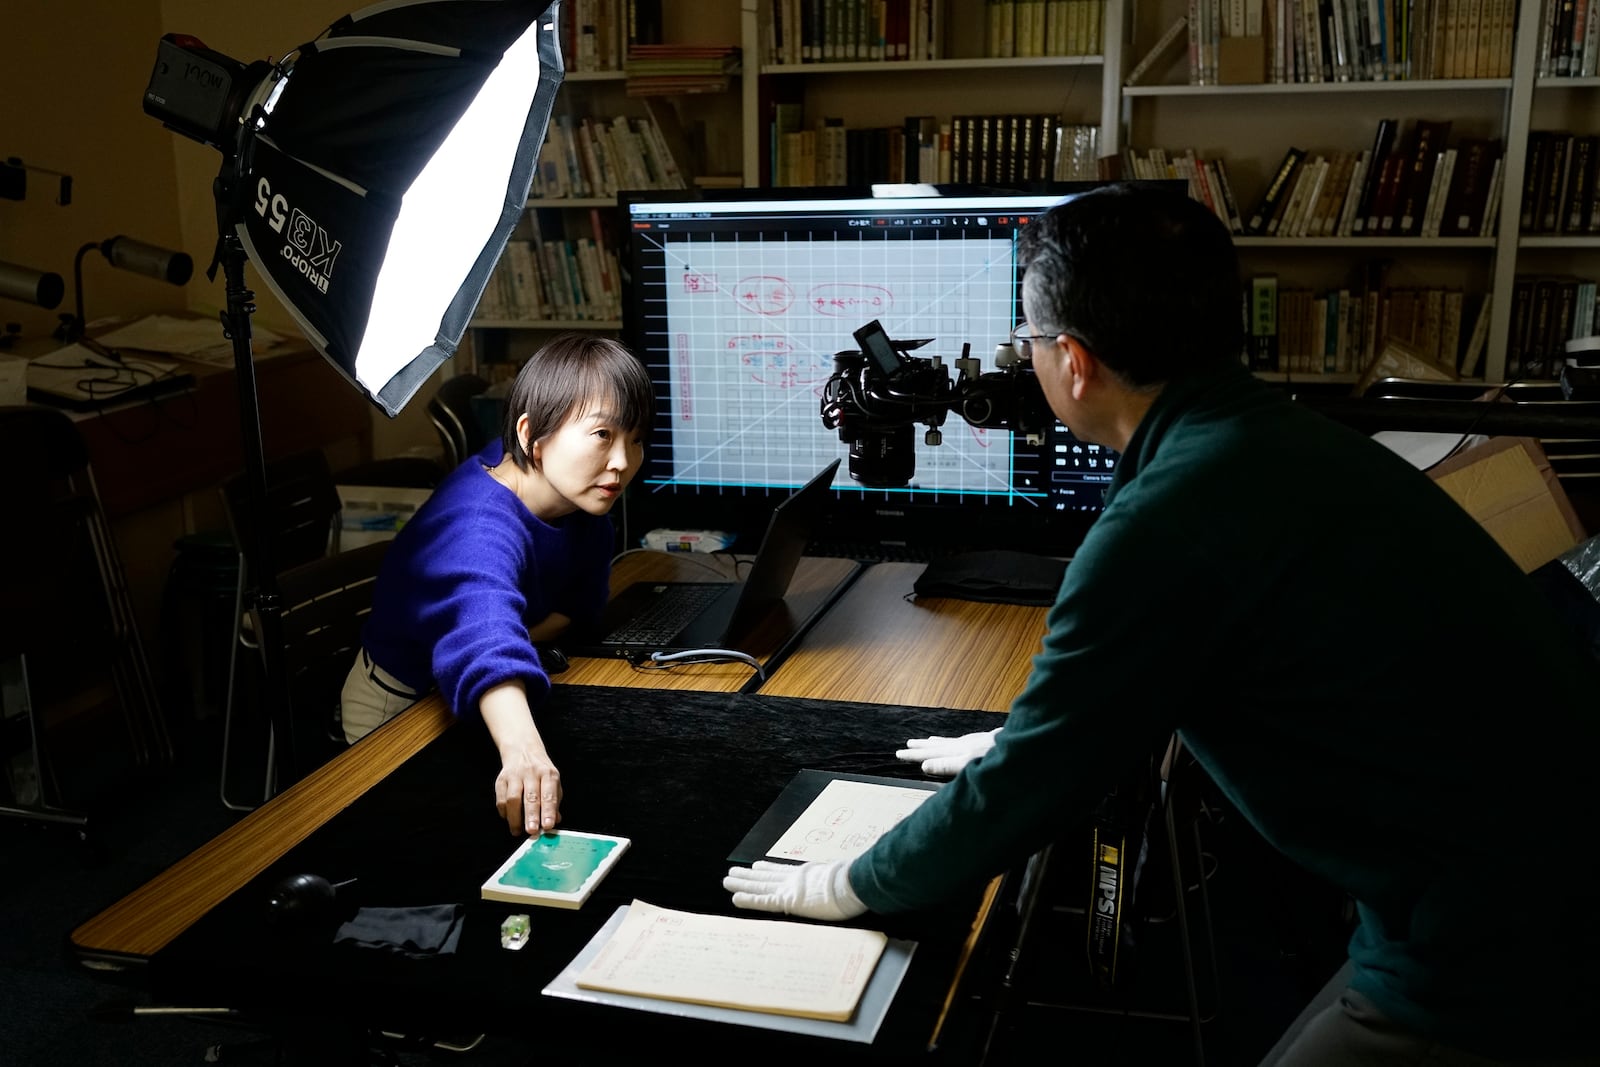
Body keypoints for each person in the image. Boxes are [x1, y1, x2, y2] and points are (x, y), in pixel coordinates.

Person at [723, 184, 1600, 1064]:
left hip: (1494, 939)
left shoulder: (1167, 514)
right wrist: (1031, 736)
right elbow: (1188, 662)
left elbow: (1034, 790)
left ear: (1073, 360)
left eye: (1026, 341)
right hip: (1512, 870)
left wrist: (848, 882)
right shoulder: (1279, 440)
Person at [341, 334, 652, 837]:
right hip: (401, 703)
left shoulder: (573, 494)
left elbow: (579, 605)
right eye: (601, 435)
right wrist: (523, 748)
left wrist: (513, 644)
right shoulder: (476, 526)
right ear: (531, 435)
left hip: (474, 690)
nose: (622, 461)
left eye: (634, 438)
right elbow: (482, 627)